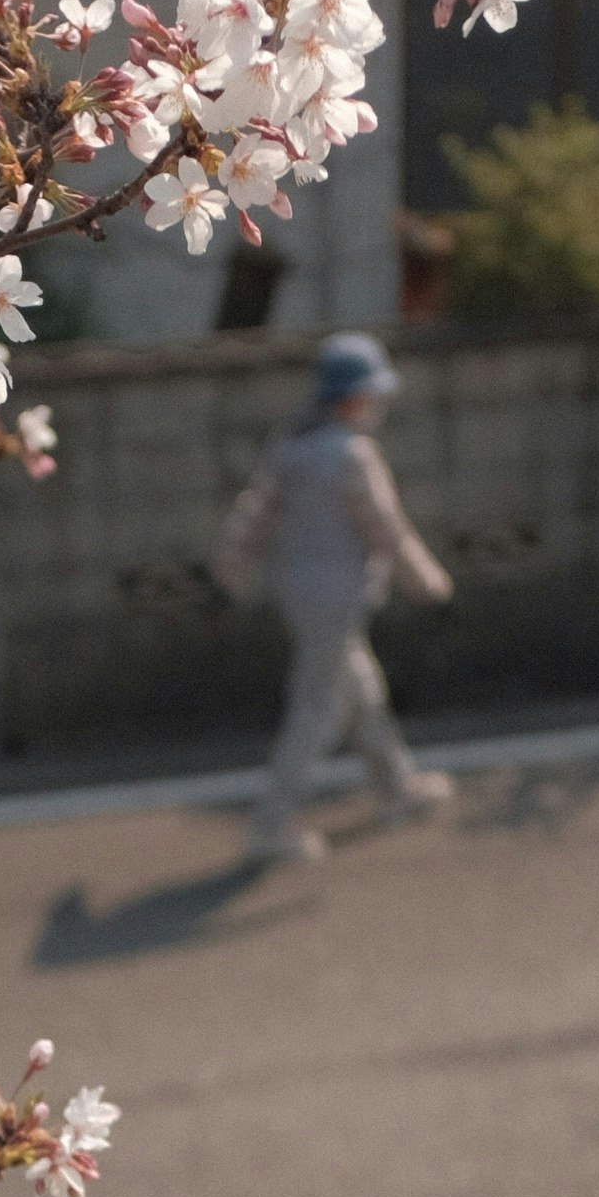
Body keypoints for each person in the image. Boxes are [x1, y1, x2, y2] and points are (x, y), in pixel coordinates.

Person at [228, 331, 456, 868]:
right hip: (337, 601)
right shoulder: (354, 456)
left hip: (302, 597)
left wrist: (225, 576)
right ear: (354, 398)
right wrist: (429, 582)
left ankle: (398, 786)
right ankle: (269, 826)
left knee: (364, 693)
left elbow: (251, 518)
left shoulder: (291, 449)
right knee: (317, 711)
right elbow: (388, 531)